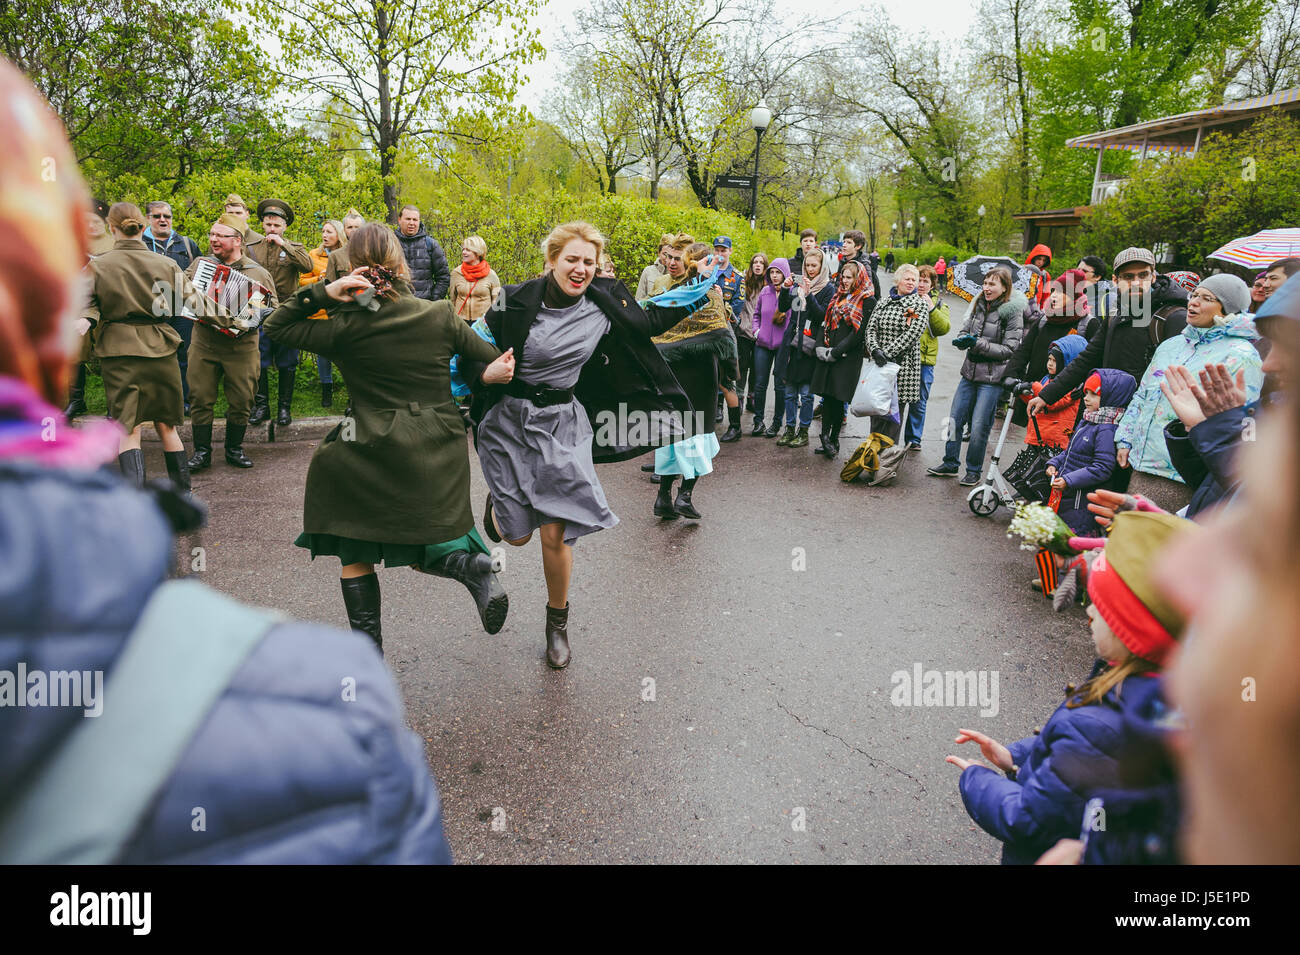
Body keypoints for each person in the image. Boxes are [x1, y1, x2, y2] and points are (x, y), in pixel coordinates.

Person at [0, 64, 454, 864]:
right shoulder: (333, 726)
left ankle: (215, 462)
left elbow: (279, 306)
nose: (224, 238)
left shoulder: (293, 269)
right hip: (206, 351)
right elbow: (268, 313)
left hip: (235, 349)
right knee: (182, 418)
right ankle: (188, 483)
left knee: (190, 417)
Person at [459, 222, 702, 670]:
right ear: (551, 260)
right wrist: (484, 374)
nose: (580, 268)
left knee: (555, 530)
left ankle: (557, 624)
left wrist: (702, 291)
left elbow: (649, 317)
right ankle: (500, 509)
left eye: (589, 261)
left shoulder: (604, 302)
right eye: (571, 259)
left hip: (563, 423)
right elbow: (469, 345)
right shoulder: (514, 299)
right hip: (509, 423)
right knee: (517, 535)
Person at [265, 223, 516, 648]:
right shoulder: (438, 315)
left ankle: (369, 659)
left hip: (368, 445)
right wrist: (483, 377)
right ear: (401, 264)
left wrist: (326, 293)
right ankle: (468, 566)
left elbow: (275, 327)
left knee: (354, 549)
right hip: (437, 446)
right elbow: (495, 360)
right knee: (419, 540)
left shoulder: (344, 326)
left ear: (352, 268)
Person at [949, 510, 1196, 865]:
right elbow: (1079, 765)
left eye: (1103, 606)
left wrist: (976, 778)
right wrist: (1016, 758)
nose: (1089, 611)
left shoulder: (1100, 724)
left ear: (1132, 629)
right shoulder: (1151, 691)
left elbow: (1029, 820)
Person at [79, 203, 204, 487]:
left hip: (119, 351)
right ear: (142, 227)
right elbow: (195, 302)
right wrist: (237, 317)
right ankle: (182, 496)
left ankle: (134, 503)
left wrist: (86, 320)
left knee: (128, 428)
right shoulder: (166, 264)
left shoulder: (98, 265)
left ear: (112, 228)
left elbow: (85, 302)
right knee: (167, 426)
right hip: (161, 348)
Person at [1115, 274, 1262, 512]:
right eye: (1194, 295)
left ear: (1228, 309)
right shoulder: (1171, 345)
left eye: (1206, 298)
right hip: (1141, 466)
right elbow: (1142, 394)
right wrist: (1125, 437)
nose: (1193, 302)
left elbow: (1245, 421)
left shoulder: (1241, 355)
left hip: (1185, 474)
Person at [1161, 272, 1297, 519]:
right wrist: (1203, 429)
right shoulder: (1271, 410)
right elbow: (1229, 486)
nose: (1269, 364)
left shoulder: (1243, 357)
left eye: (1288, 348)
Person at [1026, 247, 1188, 419]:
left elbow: (1179, 381)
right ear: (1115, 280)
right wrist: (1047, 395)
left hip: (1144, 419)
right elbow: (1088, 358)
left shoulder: (1172, 317)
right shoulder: (1115, 313)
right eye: (1128, 277)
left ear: (1153, 277)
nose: (1136, 283)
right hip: (1103, 414)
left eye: (1143, 275)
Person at [649, 243, 738, 519]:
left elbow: (656, 330)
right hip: (700, 373)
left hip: (673, 372)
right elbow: (725, 337)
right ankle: (683, 496)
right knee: (697, 434)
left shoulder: (675, 293)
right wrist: (731, 373)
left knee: (674, 433)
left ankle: (664, 497)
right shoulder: (708, 294)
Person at [184, 214, 277, 471]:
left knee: (242, 400)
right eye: (212, 234)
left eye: (220, 236)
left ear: (237, 240)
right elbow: (181, 293)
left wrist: (252, 317)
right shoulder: (201, 265)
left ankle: (234, 449)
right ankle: (201, 452)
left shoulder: (258, 273)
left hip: (241, 348)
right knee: (200, 398)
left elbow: (273, 309)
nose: (213, 239)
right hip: (204, 343)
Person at [928, 267, 1026, 485]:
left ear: (1004, 288)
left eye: (992, 284)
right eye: (985, 283)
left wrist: (978, 344)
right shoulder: (979, 303)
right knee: (954, 420)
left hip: (991, 379)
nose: (986, 288)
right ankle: (950, 463)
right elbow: (966, 329)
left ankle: (973, 470)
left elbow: (1010, 349)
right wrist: (962, 339)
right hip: (969, 373)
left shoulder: (1013, 312)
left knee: (980, 425)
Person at [1046, 369, 1138, 535]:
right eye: (1086, 393)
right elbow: (1070, 451)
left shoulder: (1107, 429)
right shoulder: (1088, 419)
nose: (1086, 398)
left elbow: (1103, 467)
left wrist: (1068, 480)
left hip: (1082, 502)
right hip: (1069, 495)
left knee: (1075, 539)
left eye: (1093, 394)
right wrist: (1055, 463)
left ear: (1111, 398)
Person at [246, 198, 313, 427]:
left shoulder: (295, 247)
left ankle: (284, 408)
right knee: (259, 359)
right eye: (268, 224)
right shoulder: (252, 247)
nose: (272, 229)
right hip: (258, 308)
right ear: (262, 224)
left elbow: (308, 266)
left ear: (284, 226)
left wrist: (284, 245)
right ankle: (261, 406)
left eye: (276, 225)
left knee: (287, 360)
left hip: (286, 310)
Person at [861, 263, 928, 482]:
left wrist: (887, 353)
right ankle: (871, 461)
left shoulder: (919, 304)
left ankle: (886, 468)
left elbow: (913, 333)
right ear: (897, 280)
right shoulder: (884, 301)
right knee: (875, 413)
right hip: (880, 367)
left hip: (902, 368)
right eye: (907, 278)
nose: (911, 282)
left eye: (914, 280)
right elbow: (870, 328)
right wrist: (875, 349)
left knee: (893, 417)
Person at [1003, 272, 1091, 431]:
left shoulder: (1087, 324)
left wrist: (1083, 389)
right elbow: (1024, 350)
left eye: (1061, 292)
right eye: (1053, 291)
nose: (1054, 296)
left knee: (1052, 438)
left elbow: (1091, 362)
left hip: (1062, 397)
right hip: (1032, 389)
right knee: (1031, 435)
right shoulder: (1044, 319)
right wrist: (1010, 375)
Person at [811, 260, 874, 458]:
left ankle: (833, 439)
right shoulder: (837, 296)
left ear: (858, 278)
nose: (845, 281)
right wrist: (820, 346)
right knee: (827, 397)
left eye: (849, 278)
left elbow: (859, 333)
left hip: (847, 357)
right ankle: (825, 437)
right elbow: (825, 322)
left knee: (838, 398)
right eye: (843, 277)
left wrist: (836, 352)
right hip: (828, 351)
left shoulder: (867, 299)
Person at [775, 246, 834, 448]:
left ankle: (804, 431)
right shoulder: (799, 285)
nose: (810, 269)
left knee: (807, 395)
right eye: (807, 265)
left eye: (814, 266)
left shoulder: (828, 289)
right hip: (792, 343)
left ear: (822, 266)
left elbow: (821, 316)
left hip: (810, 345)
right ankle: (789, 428)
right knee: (789, 392)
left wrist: (809, 295)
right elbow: (785, 308)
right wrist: (786, 289)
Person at [64, 197, 114, 420]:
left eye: (96, 221)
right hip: (79, 305)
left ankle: (114, 404)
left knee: (110, 353)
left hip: (108, 306)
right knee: (76, 352)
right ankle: (76, 400)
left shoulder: (115, 244)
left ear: (105, 222)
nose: (91, 226)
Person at [300, 218, 347, 407]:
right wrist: (317, 280)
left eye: (329, 232)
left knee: (344, 351)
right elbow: (302, 280)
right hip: (320, 309)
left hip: (341, 309)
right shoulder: (314, 255)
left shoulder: (346, 254)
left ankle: (350, 388)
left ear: (339, 235)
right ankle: (326, 389)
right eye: (323, 231)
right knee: (323, 353)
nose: (325, 235)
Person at [904, 264, 950, 451]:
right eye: (918, 280)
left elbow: (943, 328)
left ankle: (913, 439)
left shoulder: (939, 304)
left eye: (925, 281)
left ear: (932, 285)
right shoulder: (906, 298)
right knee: (897, 400)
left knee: (919, 401)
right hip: (905, 357)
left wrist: (931, 308)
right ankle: (890, 437)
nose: (921, 284)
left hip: (924, 360)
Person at [1017, 334, 1088, 451]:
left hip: (1055, 441)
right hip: (1039, 434)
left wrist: (1033, 386)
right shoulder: (1047, 379)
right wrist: (1023, 392)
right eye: (1049, 359)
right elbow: (1037, 400)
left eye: (1055, 361)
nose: (1050, 363)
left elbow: (1053, 402)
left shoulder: (1071, 387)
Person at [751, 257, 791, 437]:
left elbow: (796, 318)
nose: (774, 276)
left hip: (783, 346)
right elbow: (756, 315)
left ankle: (776, 423)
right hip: (763, 344)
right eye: (772, 272)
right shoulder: (765, 292)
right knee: (760, 384)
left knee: (780, 386)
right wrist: (756, 331)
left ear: (785, 274)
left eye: (778, 273)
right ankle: (758, 421)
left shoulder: (792, 293)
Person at [393, 204, 451, 302]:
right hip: (397, 304)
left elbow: (443, 277)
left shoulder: (431, 244)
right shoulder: (389, 243)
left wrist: (432, 302)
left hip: (424, 305)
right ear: (399, 220)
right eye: (408, 219)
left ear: (419, 221)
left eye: (415, 220)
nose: (411, 223)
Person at [733, 252, 766, 417]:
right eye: (755, 262)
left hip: (760, 334)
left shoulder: (768, 286)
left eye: (761, 263)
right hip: (744, 332)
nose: (758, 265)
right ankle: (739, 397)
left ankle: (751, 397)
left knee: (756, 368)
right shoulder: (744, 283)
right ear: (751, 265)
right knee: (742, 366)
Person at [449, 235, 502, 323]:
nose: (464, 252)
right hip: (461, 322)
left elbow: (499, 302)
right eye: (463, 249)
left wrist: (492, 319)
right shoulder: (456, 273)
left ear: (478, 253)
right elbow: (452, 299)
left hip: (483, 322)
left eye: (468, 250)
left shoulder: (491, 275)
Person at [324, 209, 366, 282]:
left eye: (357, 227)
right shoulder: (335, 256)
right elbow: (330, 285)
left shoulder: (373, 253)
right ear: (344, 230)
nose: (353, 230)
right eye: (350, 227)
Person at [636, 233, 674, 300]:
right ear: (659, 253)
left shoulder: (676, 273)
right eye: (665, 254)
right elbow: (639, 297)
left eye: (670, 255)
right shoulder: (648, 271)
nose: (667, 258)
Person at [1024, 242, 1053, 307]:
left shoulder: (1045, 275)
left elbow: (1046, 295)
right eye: (1039, 259)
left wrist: (1042, 308)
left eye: (1044, 260)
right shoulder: (1023, 271)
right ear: (1034, 257)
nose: (1041, 262)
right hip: (1023, 306)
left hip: (1036, 308)